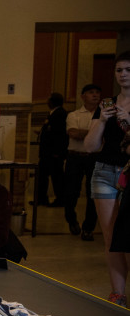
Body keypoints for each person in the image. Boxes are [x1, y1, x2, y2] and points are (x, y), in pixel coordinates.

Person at [84, 51, 130, 306]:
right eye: (119, 70)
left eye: (128, 70)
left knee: (128, 236)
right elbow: (90, 146)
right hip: (103, 171)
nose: (123, 75)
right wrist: (102, 120)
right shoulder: (107, 104)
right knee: (111, 237)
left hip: (128, 173)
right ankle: (118, 292)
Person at [64, 84, 100, 241]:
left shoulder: (103, 115)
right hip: (75, 156)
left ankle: (88, 228)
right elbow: (73, 133)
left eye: (98, 93)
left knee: (93, 193)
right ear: (83, 96)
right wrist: (96, 133)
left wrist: (85, 133)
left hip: (94, 157)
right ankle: (72, 221)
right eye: (91, 92)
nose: (95, 95)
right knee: (71, 191)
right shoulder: (74, 115)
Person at [35, 92, 68, 207]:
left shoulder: (60, 114)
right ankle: (41, 198)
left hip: (54, 153)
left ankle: (61, 199)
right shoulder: (53, 114)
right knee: (42, 176)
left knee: (57, 177)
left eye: (48, 100)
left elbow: (60, 135)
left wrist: (57, 153)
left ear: (53, 102)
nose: (46, 102)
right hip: (47, 153)